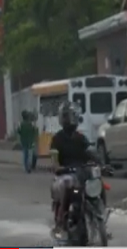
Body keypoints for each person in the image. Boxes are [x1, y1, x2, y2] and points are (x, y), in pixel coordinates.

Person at [50, 101, 103, 237]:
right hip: (65, 174)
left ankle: (100, 213)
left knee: (98, 182)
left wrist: (99, 161)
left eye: (72, 116)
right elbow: (54, 160)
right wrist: (58, 167)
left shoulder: (81, 138)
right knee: (67, 186)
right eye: (67, 116)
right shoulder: (57, 139)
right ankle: (62, 222)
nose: (70, 120)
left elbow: (90, 152)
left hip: (81, 172)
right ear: (62, 118)